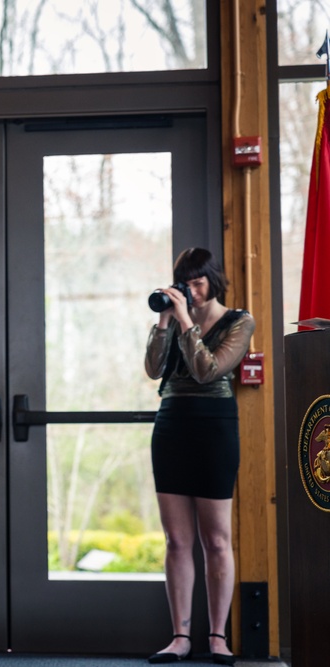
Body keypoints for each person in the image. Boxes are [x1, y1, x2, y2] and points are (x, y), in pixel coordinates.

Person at [144, 248, 254, 666]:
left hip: (214, 427)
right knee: (176, 540)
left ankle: (217, 637)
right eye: (183, 282)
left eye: (197, 281)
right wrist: (164, 320)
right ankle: (179, 637)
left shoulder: (239, 321)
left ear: (212, 280)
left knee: (216, 540)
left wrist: (186, 321)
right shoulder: (174, 319)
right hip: (172, 424)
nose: (189, 289)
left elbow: (210, 370)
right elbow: (155, 370)